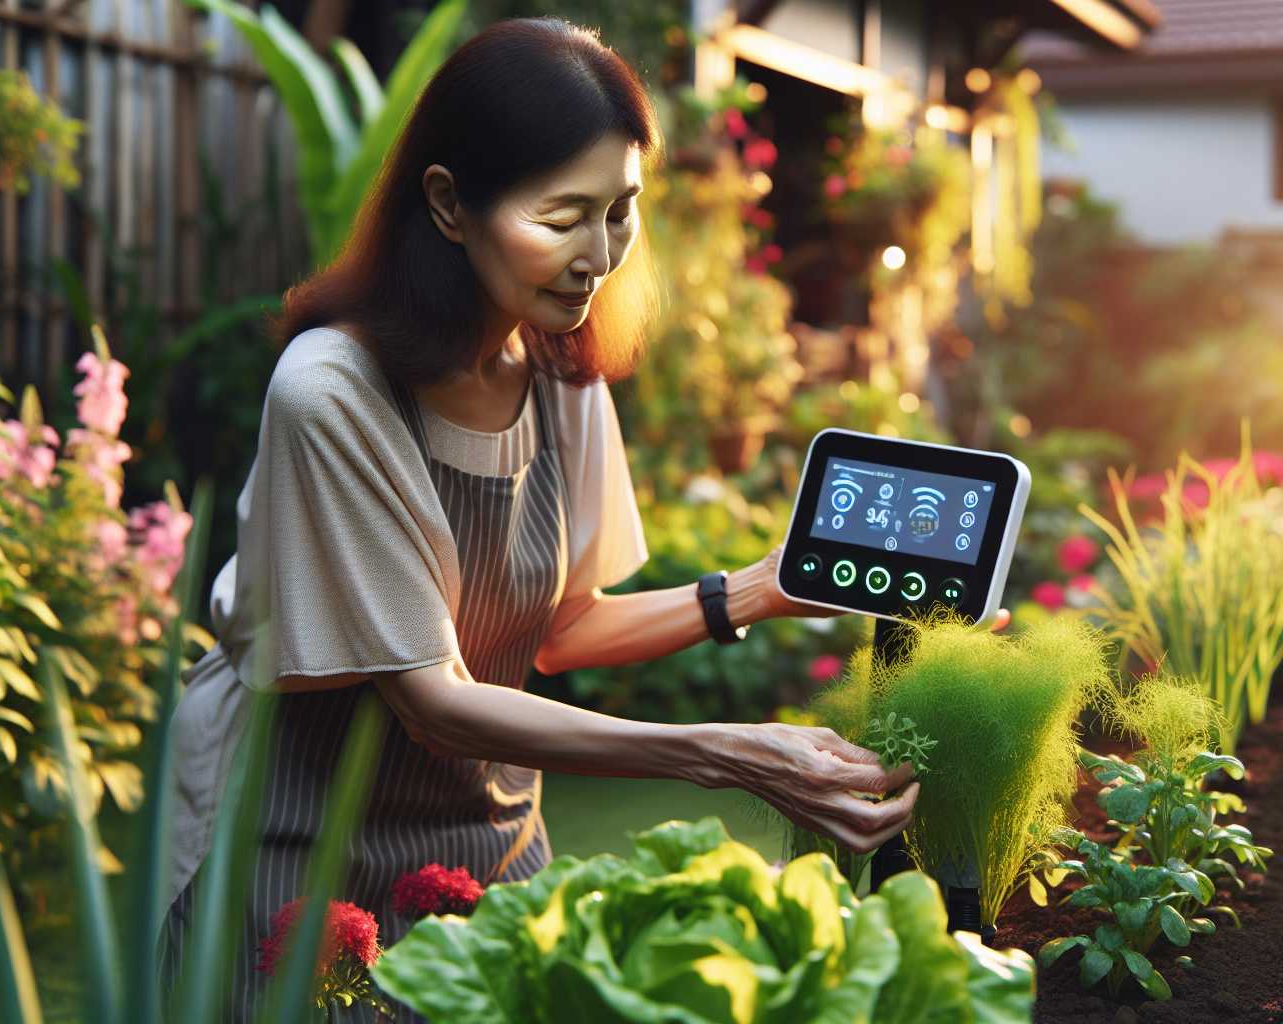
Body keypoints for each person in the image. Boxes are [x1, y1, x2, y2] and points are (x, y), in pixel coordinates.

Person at [159, 19, 918, 1018]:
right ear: (448, 205)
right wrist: (726, 752)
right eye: (563, 216)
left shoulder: (557, 368)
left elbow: (560, 628)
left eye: (621, 211)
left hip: (492, 829)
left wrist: (762, 587)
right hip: (303, 835)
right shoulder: (333, 391)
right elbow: (430, 698)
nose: (597, 256)